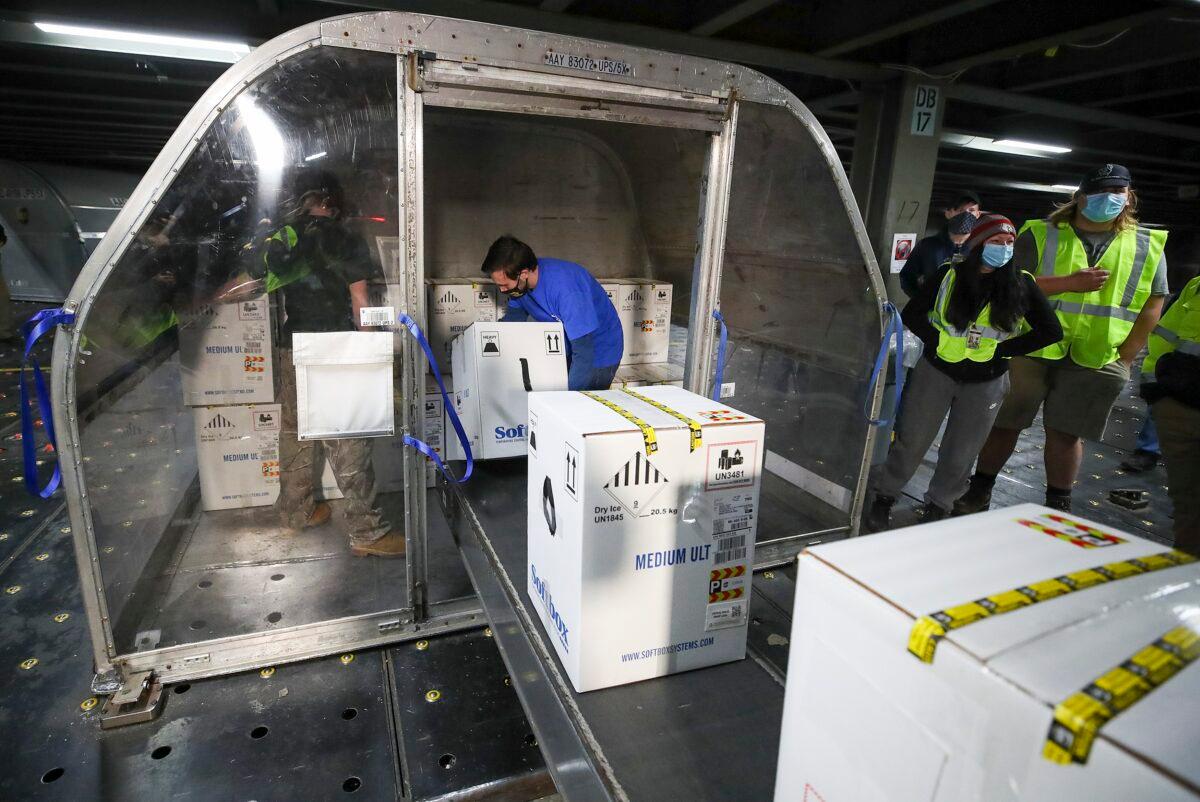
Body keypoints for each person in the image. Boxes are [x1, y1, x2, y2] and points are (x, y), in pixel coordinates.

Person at [956, 165, 1169, 515]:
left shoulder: (1148, 245)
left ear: (1129, 197)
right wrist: (1067, 282)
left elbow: (1153, 303)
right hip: (1030, 348)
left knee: (1067, 433)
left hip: (1096, 355)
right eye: (1102, 191)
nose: (1111, 198)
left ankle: (1058, 506)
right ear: (1080, 197)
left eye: (1119, 191)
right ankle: (979, 490)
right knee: (1004, 423)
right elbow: (1007, 283)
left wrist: (1126, 358)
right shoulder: (1041, 233)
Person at [228, 182, 405, 557]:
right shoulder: (343, 238)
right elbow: (359, 301)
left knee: (294, 432)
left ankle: (297, 512)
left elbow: (252, 283)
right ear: (330, 203)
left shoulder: (285, 238)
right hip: (332, 347)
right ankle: (368, 533)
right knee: (348, 441)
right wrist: (369, 349)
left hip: (291, 345)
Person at [865, 214, 1062, 531]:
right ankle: (884, 498)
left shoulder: (1021, 284)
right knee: (912, 441)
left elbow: (1051, 331)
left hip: (987, 379)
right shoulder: (948, 276)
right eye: (997, 242)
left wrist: (1001, 350)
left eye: (1010, 243)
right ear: (979, 244)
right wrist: (937, 341)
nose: (1005, 248)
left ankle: (939, 506)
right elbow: (913, 314)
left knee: (962, 451)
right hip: (937, 370)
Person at [482, 235, 623, 390]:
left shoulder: (566, 290)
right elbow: (513, 321)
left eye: (504, 285)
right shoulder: (519, 288)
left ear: (523, 274)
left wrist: (568, 399)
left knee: (577, 406)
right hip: (567, 349)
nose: (502, 290)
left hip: (598, 353)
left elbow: (584, 352)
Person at [1139, 274, 1200, 553]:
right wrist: (1157, 391)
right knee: (1188, 508)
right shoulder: (1197, 284)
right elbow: (1165, 336)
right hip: (1180, 411)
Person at [899, 190, 982, 298]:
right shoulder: (927, 246)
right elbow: (907, 277)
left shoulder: (980, 249)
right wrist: (921, 302)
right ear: (948, 213)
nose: (966, 215)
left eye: (971, 210)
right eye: (960, 210)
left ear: (978, 214)